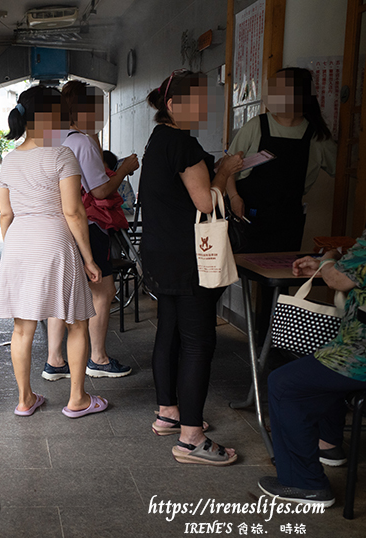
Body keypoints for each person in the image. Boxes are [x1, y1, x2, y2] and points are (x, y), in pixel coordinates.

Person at [140, 70, 244, 465]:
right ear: (173, 105)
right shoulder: (183, 144)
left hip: (161, 254)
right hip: (189, 257)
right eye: (200, 99)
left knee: (169, 331)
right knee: (198, 342)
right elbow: (206, 201)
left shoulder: (159, 140)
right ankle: (191, 439)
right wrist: (226, 172)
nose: (207, 107)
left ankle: (169, 413)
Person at [0, 85, 107, 419]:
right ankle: (77, 400)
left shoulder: (8, 160)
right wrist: (88, 258)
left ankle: (25, 399)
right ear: (50, 117)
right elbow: (73, 212)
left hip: (18, 241)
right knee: (76, 323)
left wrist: (12, 248)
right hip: (55, 241)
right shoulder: (61, 155)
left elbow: (6, 214)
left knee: (22, 328)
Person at [40, 80, 140, 383]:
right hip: (88, 223)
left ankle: (54, 361)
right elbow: (99, 190)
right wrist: (123, 169)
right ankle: (97, 358)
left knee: (62, 292)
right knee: (103, 290)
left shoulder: (52, 139)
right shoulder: (80, 142)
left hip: (55, 226)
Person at [259, 238, 366, 507]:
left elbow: (339, 280)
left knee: (284, 383)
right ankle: (327, 444)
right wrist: (326, 265)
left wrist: (328, 259)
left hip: (360, 355)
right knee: (320, 370)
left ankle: (303, 482)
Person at [226, 67, 337, 253]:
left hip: (287, 221)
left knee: (279, 275)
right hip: (247, 213)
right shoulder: (257, 125)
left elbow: (341, 171)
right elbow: (226, 167)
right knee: (244, 271)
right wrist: (234, 197)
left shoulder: (317, 135)